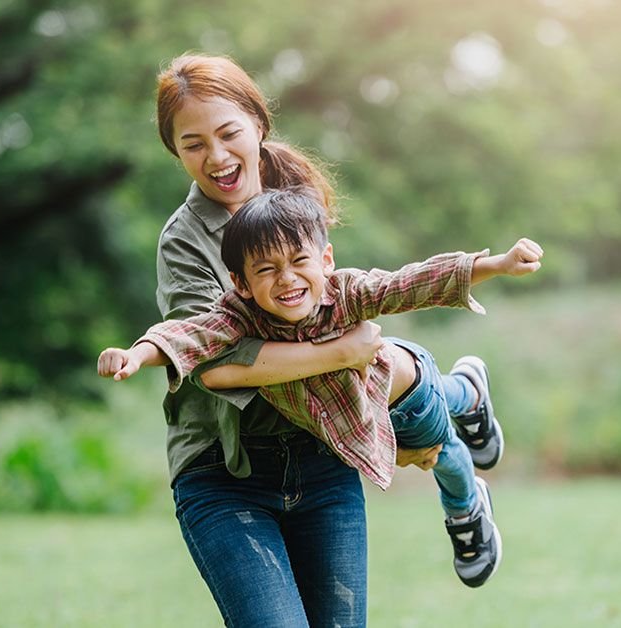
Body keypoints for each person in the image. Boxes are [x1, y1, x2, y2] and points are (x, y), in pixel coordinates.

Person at [122, 53, 499, 626]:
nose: (217, 157)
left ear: (258, 124)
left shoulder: (293, 194)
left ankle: (457, 409)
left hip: (319, 450)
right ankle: (461, 399)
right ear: (175, 151)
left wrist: (380, 414)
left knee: (395, 366)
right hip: (228, 468)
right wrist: (338, 354)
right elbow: (217, 358)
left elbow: (355, 300)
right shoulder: (184, 242)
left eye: (228, 134)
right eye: (194, 144)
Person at [99, 188, 544, 587]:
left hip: (402, 394)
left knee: (441, 452)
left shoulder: (347, 291)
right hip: (364, 408)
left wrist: (497, 264)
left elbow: (411, 282)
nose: (287, 279)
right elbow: (189, 335)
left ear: (326, 259)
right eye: (267, 270)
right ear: (241, 283)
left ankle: (466, 503)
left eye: (299, 262)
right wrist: (136, 354)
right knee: (443, 426)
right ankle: (467, 390)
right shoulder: (238, 317)